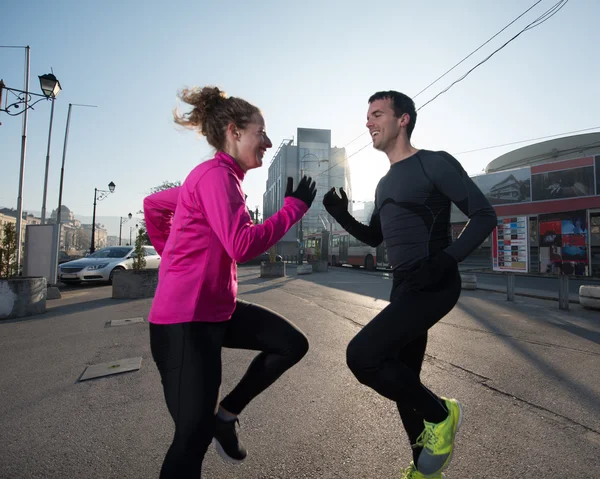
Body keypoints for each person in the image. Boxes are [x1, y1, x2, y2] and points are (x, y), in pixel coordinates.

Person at [144, 86, 317, 478]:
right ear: (235, 132)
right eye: (262, 132)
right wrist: (292, 210)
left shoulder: (214, 179)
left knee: (290, 344)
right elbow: (241, 245)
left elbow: (154, 205)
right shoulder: (216, 176)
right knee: (191, 438)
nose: (268, 142)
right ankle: (214, 425)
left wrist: (173, 252)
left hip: (215, 312)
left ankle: (226, 416)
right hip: (184, 324)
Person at [323, 91, 497, 479]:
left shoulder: (433, 163)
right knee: (402, 378)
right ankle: (426, 469)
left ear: (403, 119)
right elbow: (374, 239)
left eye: (377, 114)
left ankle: (442, 413)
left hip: (435, 281)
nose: (368, 122)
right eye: (367, 116)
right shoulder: (384, 183)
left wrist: (445, 261)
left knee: (362, 356)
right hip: (402, 285)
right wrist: (341, 215)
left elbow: (485, 215)